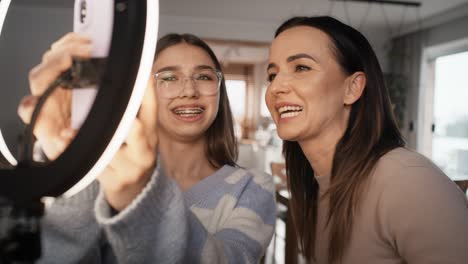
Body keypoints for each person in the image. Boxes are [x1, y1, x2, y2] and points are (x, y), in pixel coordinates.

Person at [18, 32, 276, 263]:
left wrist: (139, 194)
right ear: (142, 91)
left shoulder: (253, 187)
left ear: (220, 91)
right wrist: (74, 165)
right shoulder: (100, 177)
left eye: (204, 76)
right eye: (169, 77)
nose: (189, 90)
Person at [265, 16, 468, 264]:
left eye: (301, 68)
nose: (276, 87)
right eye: (272, 75)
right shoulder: (315, 185)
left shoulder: (408, 181)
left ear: (352, 88)